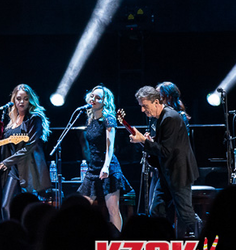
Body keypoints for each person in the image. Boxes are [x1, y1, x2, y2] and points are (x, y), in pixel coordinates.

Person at [129, 86, 200, 238]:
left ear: (155, 102)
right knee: (157, 210)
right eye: (140, 106)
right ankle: (162, 244)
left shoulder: (170, 118)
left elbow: (166, 151)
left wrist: (143, 140)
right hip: (167, 173)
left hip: (179, 173)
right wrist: (147, 141)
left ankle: (209, 237)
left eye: (144, 106)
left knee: (185, 213)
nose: (142, 110)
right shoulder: (161, 117)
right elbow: (166, 145)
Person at [75, 85, 131, 233]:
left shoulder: (109, 119)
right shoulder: (90, 118)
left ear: (105, 102)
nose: (94, 99)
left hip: (109, 167)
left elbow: (110, 146)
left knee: (112, 208)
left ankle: (117, 242)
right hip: (93, 169)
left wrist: (106, 166)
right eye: (93, 96)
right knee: (82, 206)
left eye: (98, 97)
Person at [0, 84, 51, 221]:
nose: (21, 102)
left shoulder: (34, 119)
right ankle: (11, 234)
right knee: (5, 206)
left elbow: (30, 146)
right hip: (14, 168)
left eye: (25, 99)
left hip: (29, 166)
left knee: (30, 206)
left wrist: (7, 162)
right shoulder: (11, 121)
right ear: (14, 100)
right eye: (19, 98)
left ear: (30, 100)